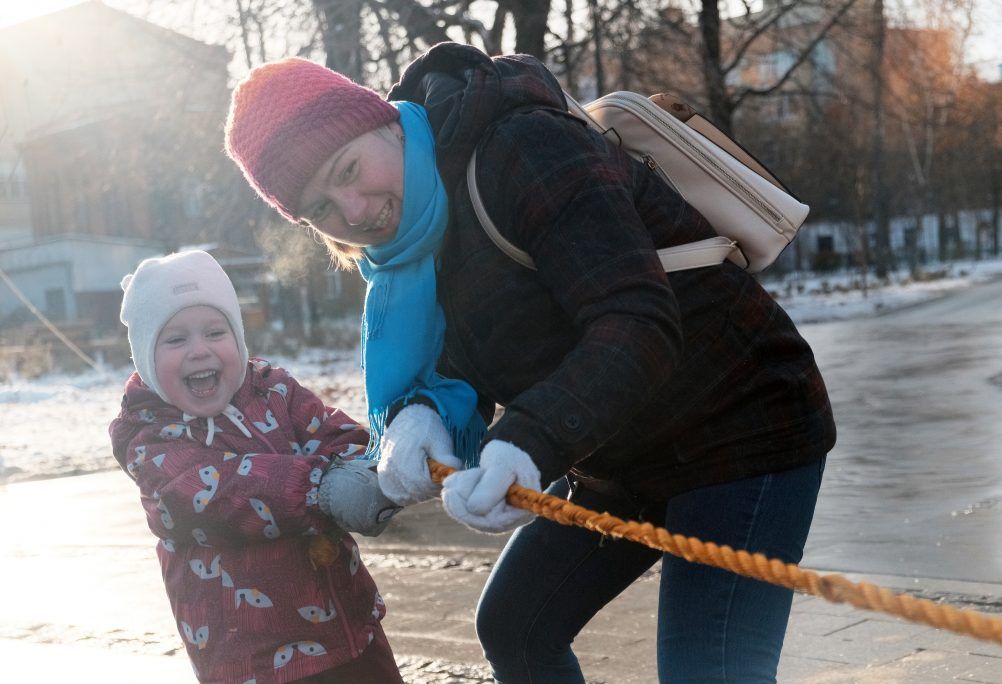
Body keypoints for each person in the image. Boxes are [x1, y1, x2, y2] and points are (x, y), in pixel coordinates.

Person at [224, 43, 836, 683]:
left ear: (385, 121)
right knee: (516, 627)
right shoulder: (413, 241)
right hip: (623, 452)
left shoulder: (523, 148)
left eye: (348, 170)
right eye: (321, 208)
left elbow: (636, 320)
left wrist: (530, 441)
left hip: (743, 423)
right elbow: (474, 346)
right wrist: (423, 416)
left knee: (706, 672)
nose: (354, 213)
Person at [108, 250, 403, 683]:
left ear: (238, 337)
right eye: (175, 340)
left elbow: (334, 433)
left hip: (349, 630)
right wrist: (320, 488)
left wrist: (370, 469)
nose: (199, 350)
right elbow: (214, 493)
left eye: (215, 331)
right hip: (255, 661)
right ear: (145, 359)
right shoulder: (150, 438)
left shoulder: (273, 389)